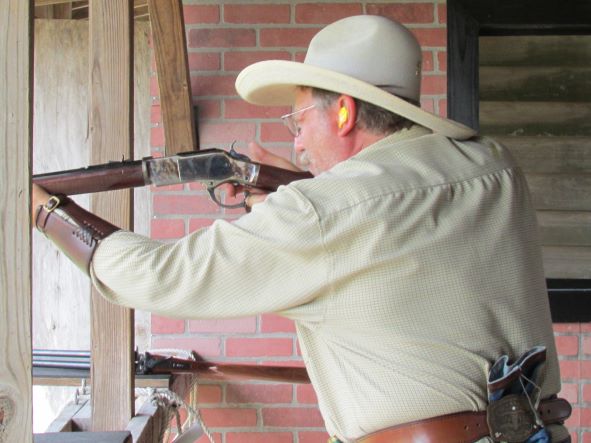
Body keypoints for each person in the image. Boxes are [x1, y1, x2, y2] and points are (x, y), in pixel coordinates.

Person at [32, 15, 570, 443]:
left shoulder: (321, 211)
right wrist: (296, 195)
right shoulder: (493, 164)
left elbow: (159, 277)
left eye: (299, 121)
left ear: (344, 114)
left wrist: (44, 212)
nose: (296, 143)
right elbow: (397, 233)